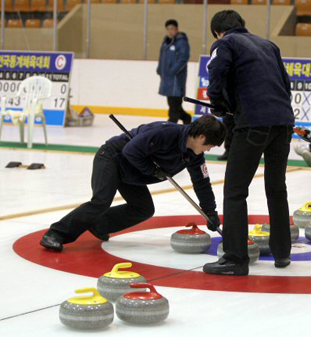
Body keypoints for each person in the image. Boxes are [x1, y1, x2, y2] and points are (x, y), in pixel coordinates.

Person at [40, 116, 226, 252]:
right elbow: (131, 150)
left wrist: (210, 212)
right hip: (112, 158)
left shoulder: (195, 156)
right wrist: (152, 170)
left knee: (143, 208)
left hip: (134, 172)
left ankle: (99, 225)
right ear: (201, 137)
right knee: (101, 201)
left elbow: (202, 183)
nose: (209, 149)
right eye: (210, 145)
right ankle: (56, 234)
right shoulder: (165, 133)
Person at [202, 10, 295, 276]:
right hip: (282, 123)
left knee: (234, 191)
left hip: (253, 122)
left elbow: (216, 73)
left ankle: (235, 258)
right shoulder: (269, 45)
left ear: (218, 31)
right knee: (277, 189)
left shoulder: (225, 43)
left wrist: (219, 104)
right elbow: (285, 86)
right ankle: (282, 252)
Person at [157, 19, 192, 125]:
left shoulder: (181, 42)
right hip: (167, 79)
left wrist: (173, 71)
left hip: (176, 80)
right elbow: (162, 57)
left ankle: (171, 124)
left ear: (177, 29)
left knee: (174, 105)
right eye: (168, 29)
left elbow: (183, 58)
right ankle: (186, 118)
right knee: (172, 104)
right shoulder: (166, 42)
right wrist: (160, 70)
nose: (170, 31)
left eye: (172, 29)